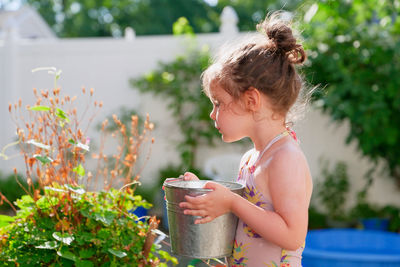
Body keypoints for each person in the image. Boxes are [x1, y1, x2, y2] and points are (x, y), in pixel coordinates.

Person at [178, 12, 313, 267]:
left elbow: (292, 235)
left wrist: (231, 202)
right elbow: (249, 224)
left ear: (251, 100)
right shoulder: (251, 158)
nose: (212, 113)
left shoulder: (286, 158)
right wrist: (206, 198)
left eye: (219, 103)